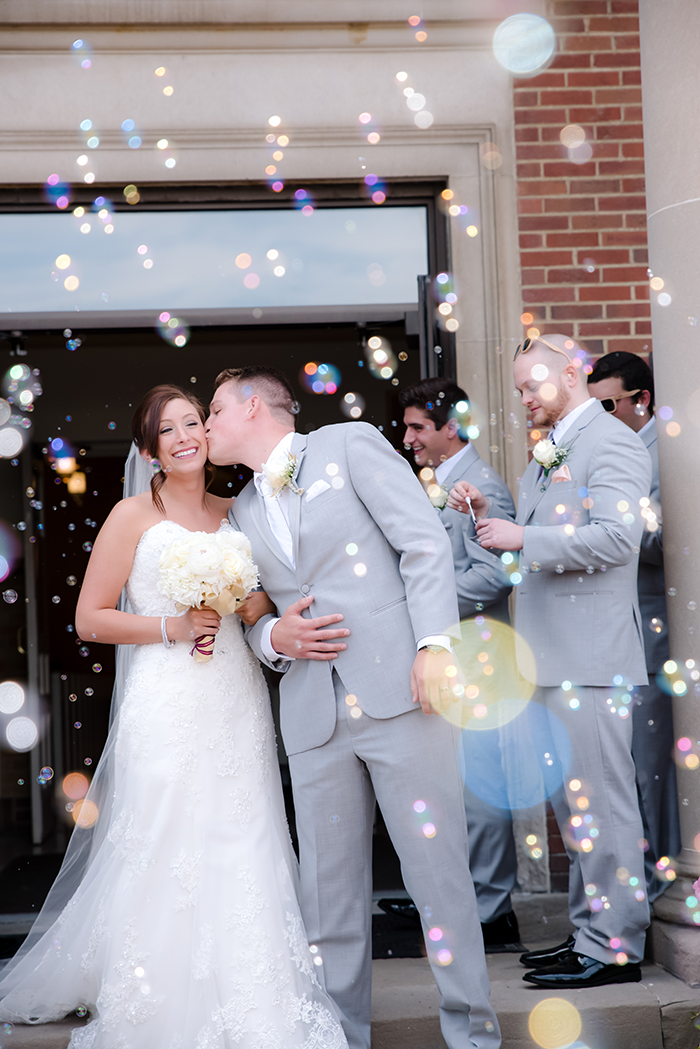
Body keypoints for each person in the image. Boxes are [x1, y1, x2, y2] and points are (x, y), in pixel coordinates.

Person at [0, 385, 348, 1049]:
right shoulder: (132, 516)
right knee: (166, 840)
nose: (187, 435)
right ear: (149, 448)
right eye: (170, 429)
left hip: (235, 698)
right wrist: (175, 624)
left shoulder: (238, 508)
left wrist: (254, 610)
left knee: (246, 834)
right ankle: (157, 998)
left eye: (195, 421)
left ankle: (258, 990)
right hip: (167, 699)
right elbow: (90, 618)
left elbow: (259, 595)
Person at [205, 366, 501, 1049]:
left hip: (404, 695)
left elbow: (423, 542)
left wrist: (433, 644)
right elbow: (256, 616)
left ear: (254, 404)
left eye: (214, 411)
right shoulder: (241, 511)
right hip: (314, 719)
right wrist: (272, 636)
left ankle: (475, 1037)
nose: (207, 425)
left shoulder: (348, 444)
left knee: (440, 881)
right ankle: (339, 1038)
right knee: (328, 902)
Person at [449, 334, 652, 989]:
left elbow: (621, 536)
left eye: (534, 383)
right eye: (518, 388)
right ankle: (588, 933)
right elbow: (538, 542)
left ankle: (617, 944)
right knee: (575, 811)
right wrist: (490, 517)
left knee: (604, 805)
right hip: (549, 657)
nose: (525, 397)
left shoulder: (612, 441)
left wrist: (523, 537)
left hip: (590, 656)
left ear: (574, 372)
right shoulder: (548, 451)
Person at [378, 377, 523, 954]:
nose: (409, 437)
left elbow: (494, 576)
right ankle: (453, 894)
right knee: (448, 786)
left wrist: (421, 602)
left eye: (418, 427)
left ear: (450, 426)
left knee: (480, 790)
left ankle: (492, 910)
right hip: (451, 653)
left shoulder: (481, 485)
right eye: (408, 426)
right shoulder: (437, 483)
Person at [588, 351, 680, 901]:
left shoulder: (663, 457)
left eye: (608, 405)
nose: (598, 416)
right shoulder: (604, 450)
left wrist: (601, 523)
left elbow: (663, 540)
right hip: (607, 635)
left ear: (641, 399)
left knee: (652, 772)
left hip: (651, 636)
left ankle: (663, 893)